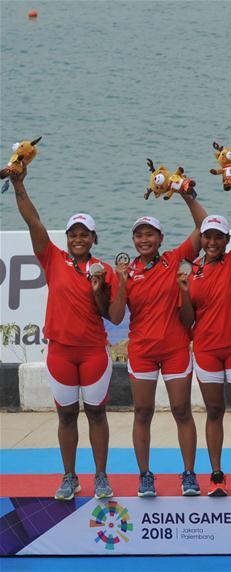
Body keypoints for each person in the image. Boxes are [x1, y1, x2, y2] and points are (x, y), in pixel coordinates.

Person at [10, 168, 115, 500]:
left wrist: (99, 288)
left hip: (94, 353)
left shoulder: (104, 269)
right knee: (66, 415)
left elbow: (108, 314)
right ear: (67, 238)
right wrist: (19, 184)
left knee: (97, 414)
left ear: (94, 238)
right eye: (73, 234)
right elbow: (34, 222)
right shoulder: (52, 259)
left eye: (85, 234)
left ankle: (100, 477)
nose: (78, 239)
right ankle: (69, 476)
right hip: (61, 353)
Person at [107, 192, 207, 497]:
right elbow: (113, 317)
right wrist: (122, 285)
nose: (144, 239)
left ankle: (189, 474)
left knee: (181, 410)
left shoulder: (174, 259)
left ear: (161, 238)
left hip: (176, 348)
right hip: (143, 352)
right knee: (142, 412)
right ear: (133, 241)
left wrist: (188, 196)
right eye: (138, 235)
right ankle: (145, 476)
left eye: (149, 234)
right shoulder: (125, 272)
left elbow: (204, 226)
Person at [186, 197, 231, 496]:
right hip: (206, 350)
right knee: (214, 411)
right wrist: (180, 293)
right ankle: (216, 475)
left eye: (218, 237)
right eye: (207, 236)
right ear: (201, 239)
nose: (212, 242)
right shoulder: (190, 271)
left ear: (228, 240)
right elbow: (187, 316)